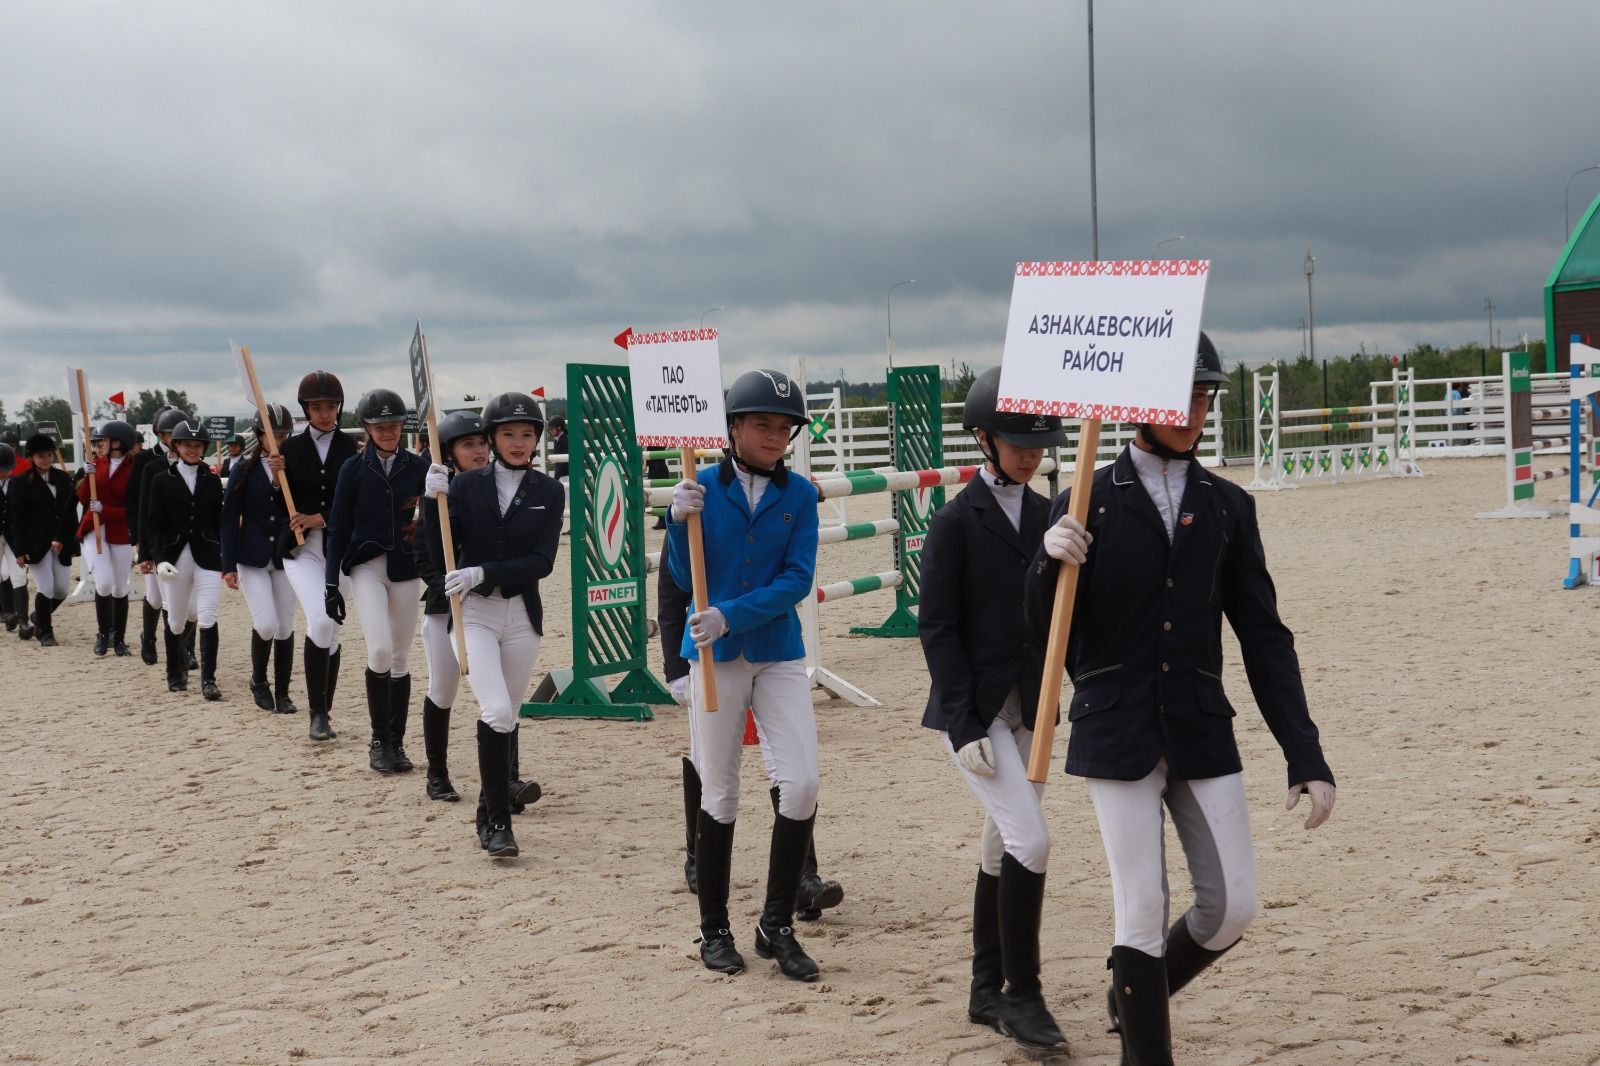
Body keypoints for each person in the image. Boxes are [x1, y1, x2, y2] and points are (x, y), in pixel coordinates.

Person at [1025, 332, 1337, 1064]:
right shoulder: (1083, 502)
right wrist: (1046, 563)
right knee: (1140, 904)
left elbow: (1264, 636)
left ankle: (1135, 993)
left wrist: (1305, 751)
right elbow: (1045, 635)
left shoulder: (1229, 507)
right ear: (1137, 403)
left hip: (1199, 724)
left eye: (1204, 396)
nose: (1196, 410)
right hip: (1115, 727)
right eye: (1182, 396)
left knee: (1231, 907)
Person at [918, 366, 1069, 1053]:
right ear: (983, 438)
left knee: (1001, 843)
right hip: (975, 712)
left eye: (1040, 440)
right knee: (1030, 842)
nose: (1030, 452)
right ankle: (1021, 993)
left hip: (1033, 708)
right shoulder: (953, 522)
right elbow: (938, 628)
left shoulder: (1050, 517)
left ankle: (984, 988)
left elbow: (1065, 619)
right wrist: (963, 720)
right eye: (1016, 440)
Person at [665, 368, 822, 981]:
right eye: (763, 424)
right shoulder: (698, 485)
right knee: (720, 788)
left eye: (784, 428)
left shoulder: (802, 495)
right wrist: (679, 525)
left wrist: (732, 614)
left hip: (777, 649)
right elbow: (684, 575)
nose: (775, 436)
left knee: (803, 782)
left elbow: (797, 579)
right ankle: (714, 928)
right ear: (732, 428)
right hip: (712, 656)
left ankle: (775, 924)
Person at [659, 563, 845, 921]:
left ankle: (803, 876)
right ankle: (698, 857)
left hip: (772, 650)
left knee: (790, 772)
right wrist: (675, 668)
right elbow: (671, 590)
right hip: (710, 654)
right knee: (707, 764)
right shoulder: (698, 508)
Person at [425, 391, 564, 857]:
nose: (519, 442)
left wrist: (484, 571)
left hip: (522, 616)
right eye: (509, 434)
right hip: (475, 615)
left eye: (527, 434)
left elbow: (542, 561)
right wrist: (431, 504)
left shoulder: (549, 491)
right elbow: (438, 551)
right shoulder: (464, 488)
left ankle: (488, 811)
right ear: (491, 437)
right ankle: (500, 824)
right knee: (498, 712)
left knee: (511, 715)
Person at [324, 389, 425, 774]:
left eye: (395, 425)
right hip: (365, 565)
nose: (388, 432)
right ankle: (378, 739)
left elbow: (433, 523)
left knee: (400, 657)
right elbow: (337, 526)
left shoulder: (417, 467)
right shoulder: (352, 468)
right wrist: (331, 582)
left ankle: (396, 744)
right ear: (366, 428)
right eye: (380, 426)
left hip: (405, 567)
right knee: (380, 650)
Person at [279, 371, 358, 741]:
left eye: (330, 407)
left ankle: (325, 709)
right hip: (301, 551)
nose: (325, 413)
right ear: (305, 409)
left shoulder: (353, 449)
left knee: (335, 631)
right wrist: (274, 476)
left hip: (340, 550)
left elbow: (357, 502)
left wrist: (322, 517)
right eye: (316, 407)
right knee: (322, 622)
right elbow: (279, 503)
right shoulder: (289, 450)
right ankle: (316, 714)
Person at [414, 410, 489, 801]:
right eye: (468, 444)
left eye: (482, 443)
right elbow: (423, 555)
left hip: (490, 606)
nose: (478, 451)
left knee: (498, 697)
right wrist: (445, 587)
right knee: (442, 690)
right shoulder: (438, 495)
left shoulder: (497, 489)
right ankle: (437, 773)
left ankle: (505, 776)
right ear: (449, 452)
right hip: (445, 608)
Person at [220, 403, 300, 713]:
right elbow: (229, 518)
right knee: (265, 623)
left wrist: (281, 480)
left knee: (285, 626)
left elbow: (290, 508)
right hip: (251, 556)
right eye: (271, 435)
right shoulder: (244, 469)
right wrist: (227, 565)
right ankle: (258, 680)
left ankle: (283, 692)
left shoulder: (292, 467)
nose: (277, 440)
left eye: (282, 435)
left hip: (283, 555)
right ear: (259, 436)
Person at [142, 418, 225, 697]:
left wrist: (225, 554)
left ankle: (209, 679)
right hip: (175, 557)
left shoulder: (212, 480)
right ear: (176, 446)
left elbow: (218, 520)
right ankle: (173, 673)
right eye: (187, 445)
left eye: (197, 445)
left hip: (207, 555)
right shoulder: (161, 480)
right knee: (176, 620)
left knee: (207, 615)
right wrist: (159, 558)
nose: (192, 450)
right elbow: (153, 524)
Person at [77, 420, 140, 657]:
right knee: (103, 582)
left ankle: (119, 639)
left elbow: (133, 508)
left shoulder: (134, 469)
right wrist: (87, 475)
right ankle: (103, 634)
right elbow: (84, 498)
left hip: (120, 530)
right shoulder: (96, 464)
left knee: (120, 586)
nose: (100, 443)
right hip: (95, 529)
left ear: (118, 443)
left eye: (105, 440)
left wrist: (105, 509)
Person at [8, 433, 78, 648]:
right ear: (31, 457)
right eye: (41, 456)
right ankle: (45, 633)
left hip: (61, 542)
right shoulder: (21, 482)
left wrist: (73, 542)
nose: (46, 459)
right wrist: (19, 550)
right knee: (45, 587)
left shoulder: (64, 479)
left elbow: (70, 514)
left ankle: (40, 615)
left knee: (61, 590)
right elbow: (16, 518)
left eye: (49, 455)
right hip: (35, 543)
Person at [127, 405, 182, 666]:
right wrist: (140, 542)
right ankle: (148, 636)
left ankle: (184, 647)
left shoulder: (189, 457)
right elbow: (138, 503)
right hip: (151, 535)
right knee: (156, 597)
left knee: (181, 599)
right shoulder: (145, 461)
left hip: (180, 536)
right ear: (160, 433)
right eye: (170, 432)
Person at [0, 439, 25, 636]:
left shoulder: (17, 484)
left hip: (12, 537)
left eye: (7, 469)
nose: (5, 473)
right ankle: (6, 613)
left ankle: (22, 619)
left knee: (18, 576)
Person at [546, 417, 569, 481]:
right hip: (563, 474)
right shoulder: (557, 440)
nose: (550, 431)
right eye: (549, 429)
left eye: (552, 428)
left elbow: (562, 463)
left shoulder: (565, 440)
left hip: (566, 475)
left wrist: (556, 477)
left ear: (559, 427)